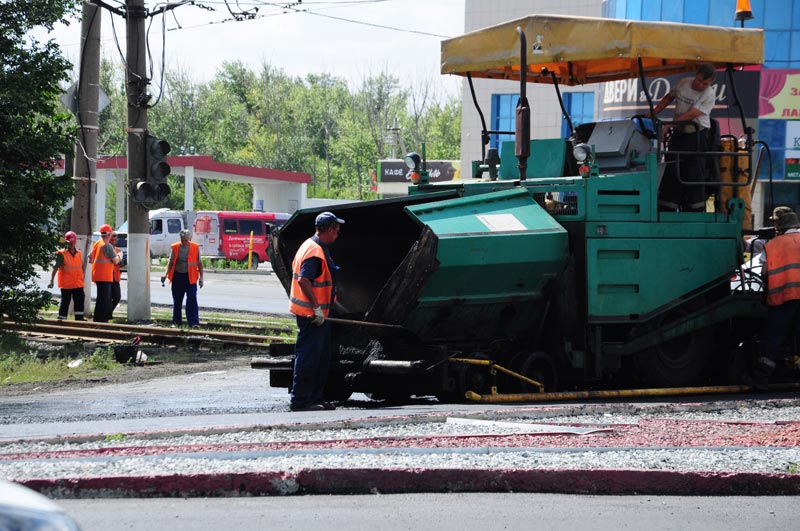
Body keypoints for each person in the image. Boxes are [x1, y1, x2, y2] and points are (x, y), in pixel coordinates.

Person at [287, 211, 344, 412]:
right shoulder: (314, 252)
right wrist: (317, 308)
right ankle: (301, 401)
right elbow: (304, 280)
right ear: (328, 230)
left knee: (320, 358)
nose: (338, 234)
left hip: (318, 317)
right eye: (336, 230)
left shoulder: (312, 246)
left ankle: (315, 399)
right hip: (312, 317)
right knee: (309, 358)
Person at [746, 208, 800, 391]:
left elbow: (763, 272)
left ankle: (761, 379)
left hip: (783, 298)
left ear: (779, 226)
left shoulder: (773, 245)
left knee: (773, 338)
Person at [651, 63, 716, 212]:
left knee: (693, 174)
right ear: (696, 74)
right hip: (680, 135)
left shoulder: (709, 94)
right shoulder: (683, 83)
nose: (700, 85)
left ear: (710, 83)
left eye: (704, 84)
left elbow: (691, 114)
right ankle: (667, 206)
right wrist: (654, 113)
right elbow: (669, 97)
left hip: (697, 137)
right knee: (672, 169)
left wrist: (670, 125)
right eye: (698, 80)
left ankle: (694, 209)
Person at [161, 229, 204, 327]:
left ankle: (193, 323)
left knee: (192, 300)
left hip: (191, 277)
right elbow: (170, 263)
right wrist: (165, 274)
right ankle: (176, 322)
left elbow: (200, 264)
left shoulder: (195, 247)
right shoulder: (175, 247)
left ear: (189, 239)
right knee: (177, 300)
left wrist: (201, 278)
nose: (184, 241)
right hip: (178, 277)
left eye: (185, 240)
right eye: (182, 239)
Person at [48, 231, 86, 321]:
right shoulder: (61, 254)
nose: (71, 244)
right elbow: (55, 268)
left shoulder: (79, 253)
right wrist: (51, 280)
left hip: (78, 283)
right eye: (69, 243)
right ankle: (62, 320)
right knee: (65, 302)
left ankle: (79, 319)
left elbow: (80, 268)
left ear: (75, 242)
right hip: (66, 284)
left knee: (80, 301)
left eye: (72, 242)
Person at [90, 224, 122, 323]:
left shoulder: (97, 243)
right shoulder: (107, 245)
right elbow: (115, 261)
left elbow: (90, 258)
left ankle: (98, 319)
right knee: (104, 300)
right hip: (105, 277)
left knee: (101, 299)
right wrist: (120, 255)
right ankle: (102, 320)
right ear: (109, 234)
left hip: (97, 275)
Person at [109, 231, 124, 316]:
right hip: (107, 277)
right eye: (112, 240)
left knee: (117, 297)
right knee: (108, 298)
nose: (113, 241)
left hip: (115, 277)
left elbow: (120, 264)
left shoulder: (118, 250)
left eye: (115, 240)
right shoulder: (106, 249)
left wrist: (123, 262)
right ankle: (108, 314)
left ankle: (108, 312)